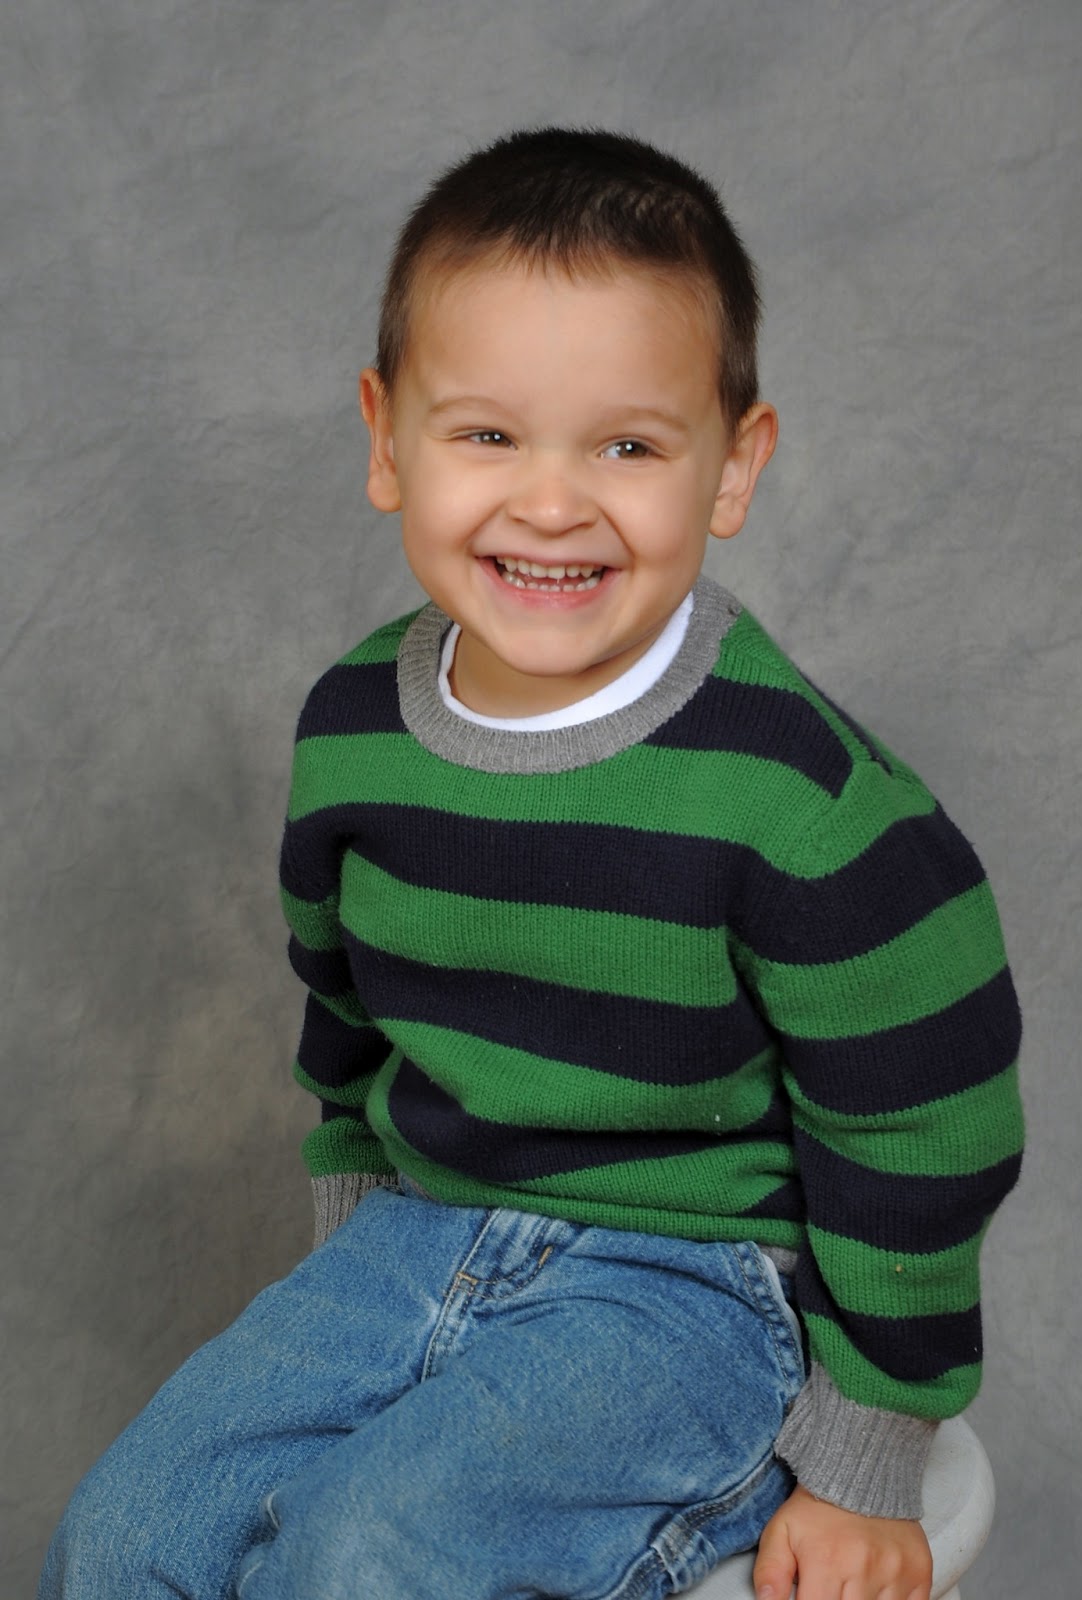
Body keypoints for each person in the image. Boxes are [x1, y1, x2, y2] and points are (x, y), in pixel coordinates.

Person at [40, 127, 1023, 1600]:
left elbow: (927, 1123)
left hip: (698, 1295)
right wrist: (353, 1256)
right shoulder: (356, 730)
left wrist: (867, 1454)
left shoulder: (799, 796)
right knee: (129, 1536)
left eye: (628, 446)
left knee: (369, 1555)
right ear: (387, 439)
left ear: (734, 466)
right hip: (419, 1234)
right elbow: (348, 1011)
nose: (551, 504)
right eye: (488, 435)